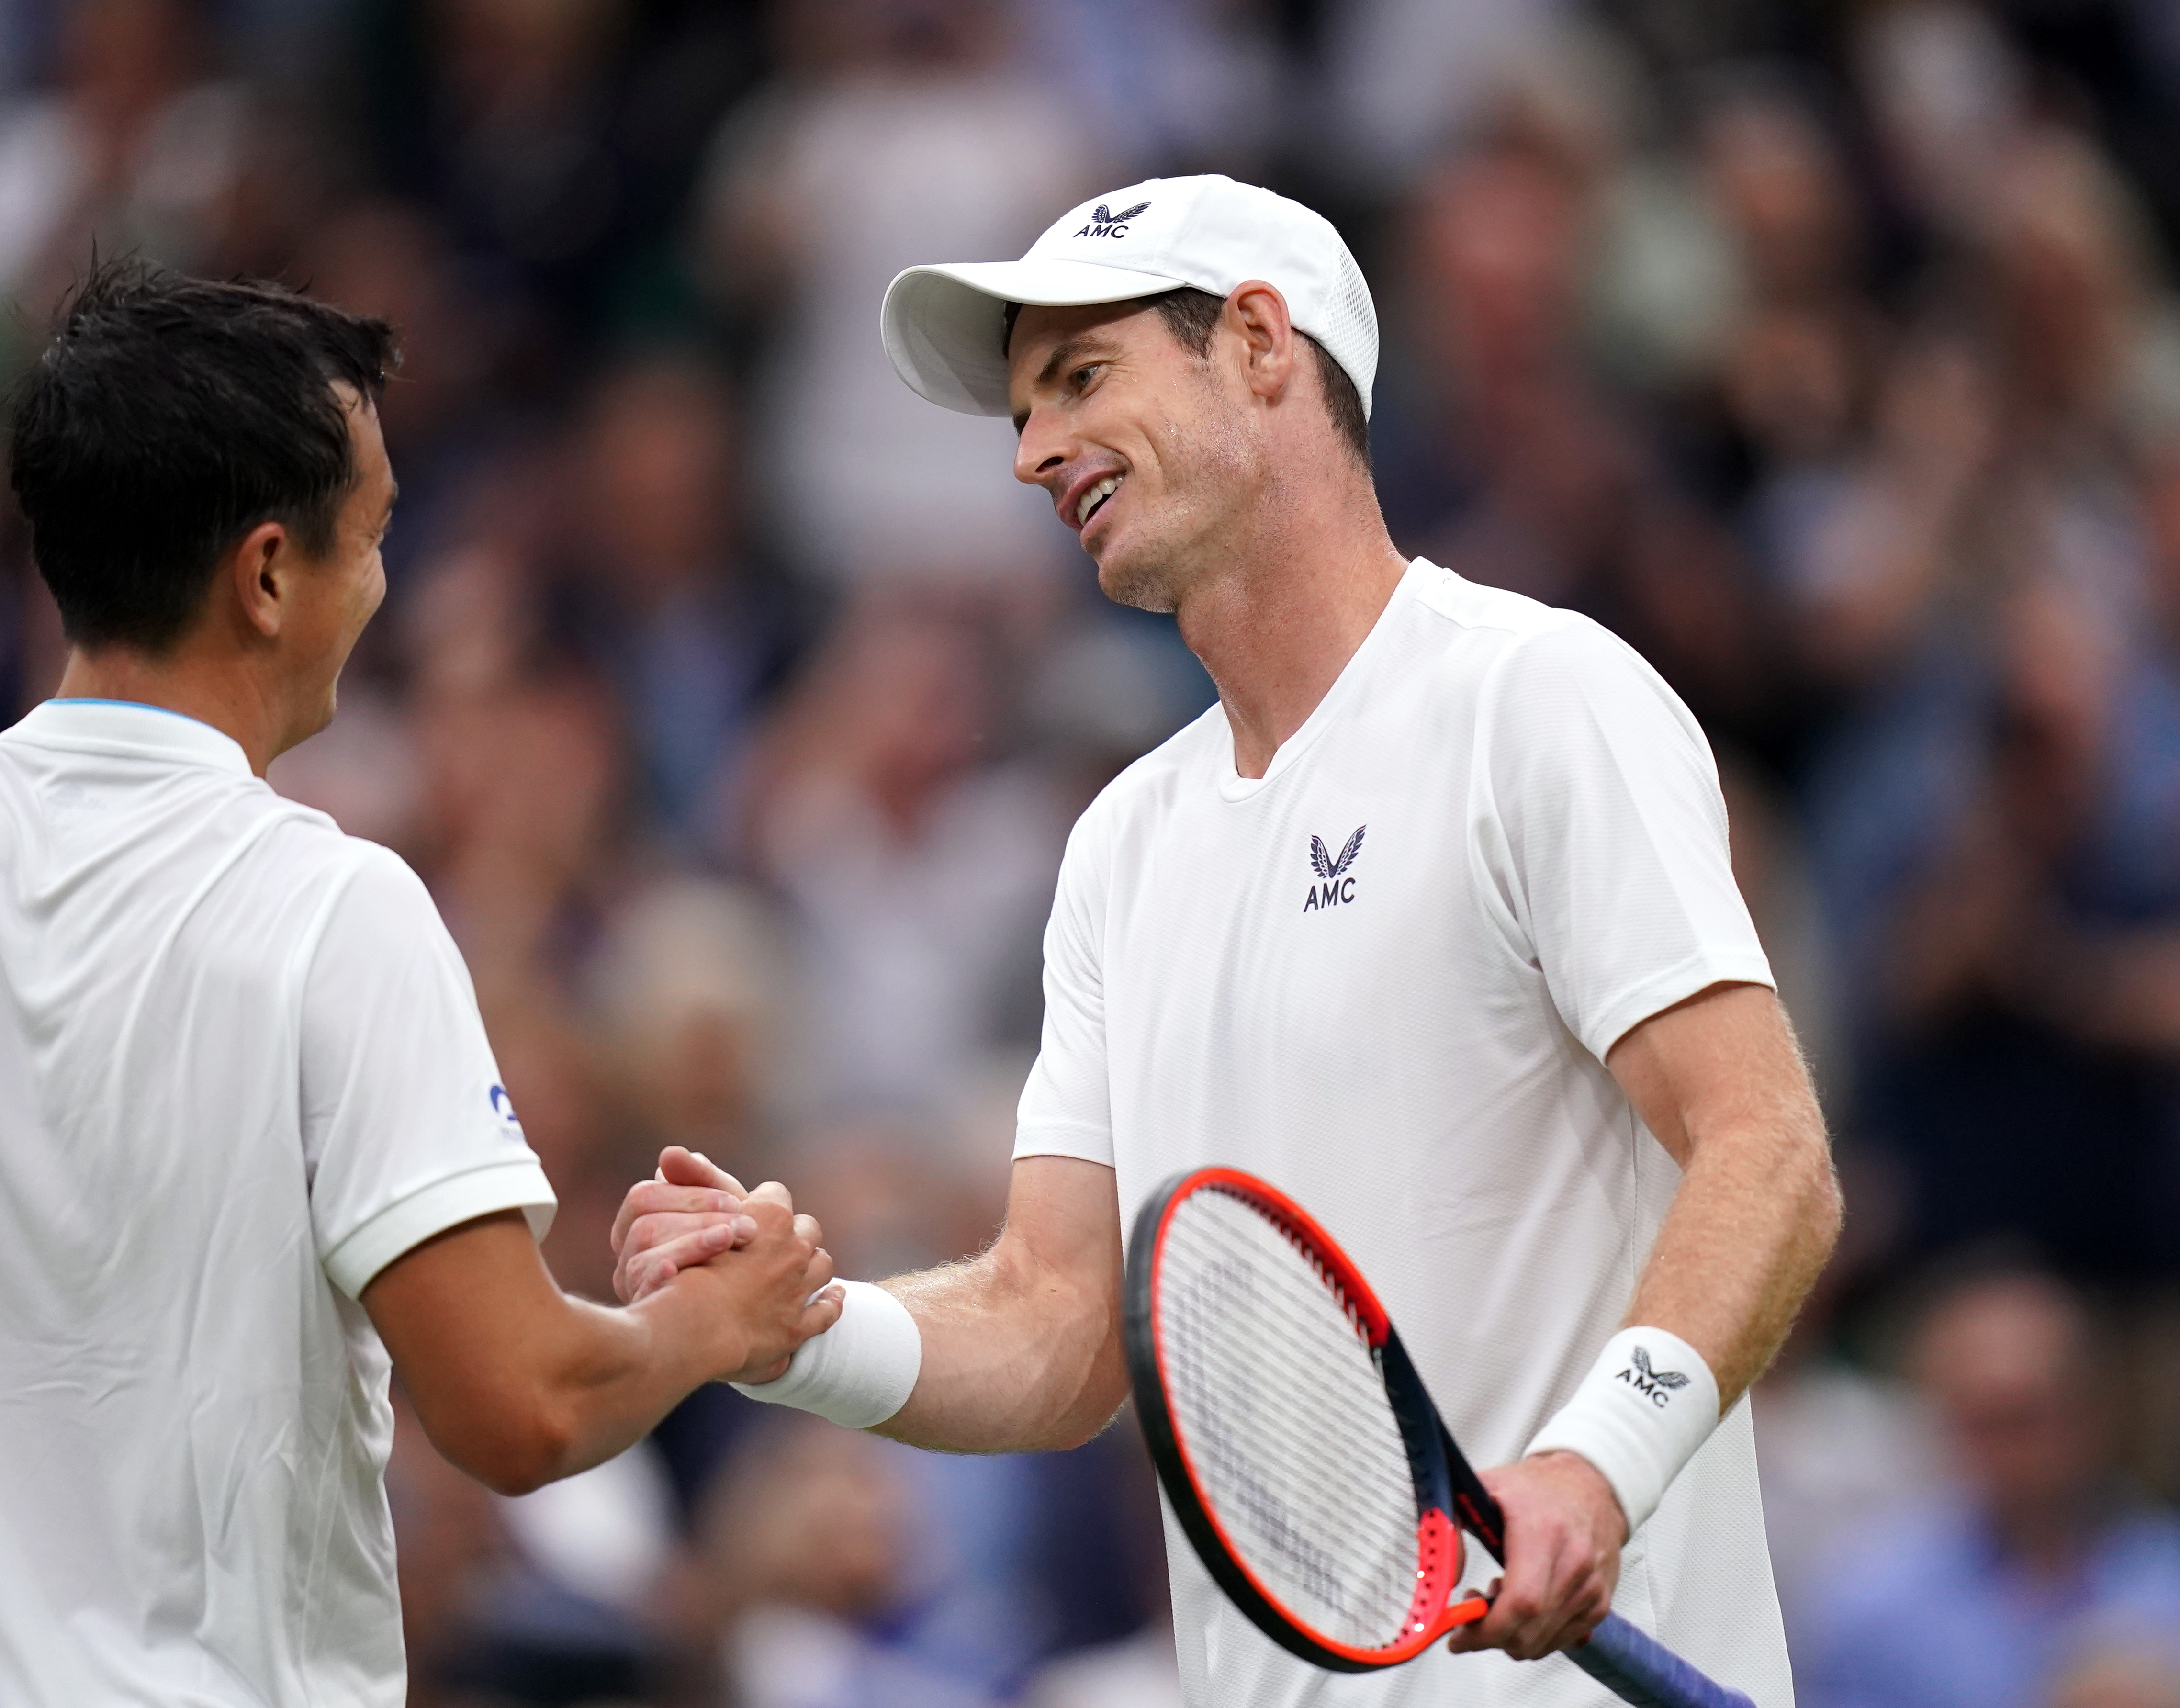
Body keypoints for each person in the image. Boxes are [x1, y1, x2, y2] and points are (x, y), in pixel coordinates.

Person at [615, 174, 1843, 1706]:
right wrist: (798, 1328)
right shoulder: (1123, 846)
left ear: (1260, 344)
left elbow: (1767, 1148)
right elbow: (1058, 1327)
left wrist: (1595, 1467)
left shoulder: (1536, 701)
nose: (1030, 452)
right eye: (1019, 411)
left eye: (1079, 379)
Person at [0, 259, 837, 1707]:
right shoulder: (334, 911)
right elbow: (519, 1404)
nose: (381, 586)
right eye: (371, 540)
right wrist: (719, 1321)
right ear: (271, 572)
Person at [1799, 1268, 2180, 1708]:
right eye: (1980, 1423)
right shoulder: (1870, 1602)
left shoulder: (2165, 1578)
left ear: (2095, 1412)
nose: (2008, 1453)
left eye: (2027, 1418)